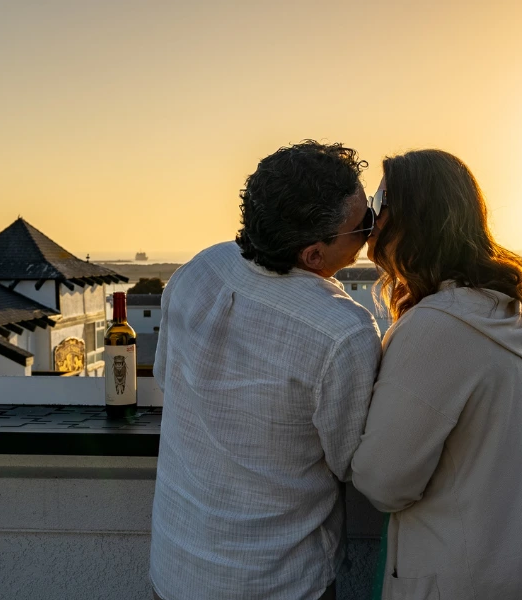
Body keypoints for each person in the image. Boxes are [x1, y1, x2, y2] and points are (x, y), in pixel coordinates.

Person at [351, 150, 522, 600]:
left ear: (413, 218)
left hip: (467, 577)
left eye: (380, 201)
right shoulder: (507, 313)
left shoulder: (438, 328)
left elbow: (384, 481)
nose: (371, 216)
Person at [149, 141, 382, 600]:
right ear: (314, 255)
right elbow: (352, 461)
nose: (374, 233)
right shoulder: (342, 331)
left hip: (177, 569)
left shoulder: (200, 269)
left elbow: (167, 378)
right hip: (275, 582)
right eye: (364, 225)